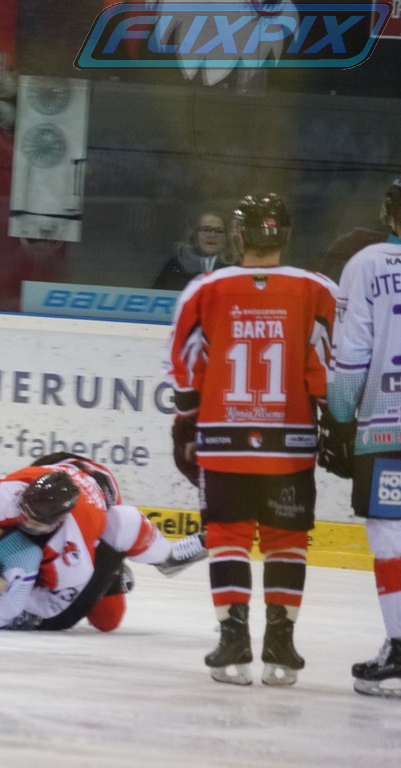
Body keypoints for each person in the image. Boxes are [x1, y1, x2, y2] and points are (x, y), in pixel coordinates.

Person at [166, 192, 338, 686]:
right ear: (286, 235)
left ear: (239, 237)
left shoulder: (205, 288)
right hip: (290, 443)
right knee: (287, 541)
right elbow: (325, 366)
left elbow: (186, 364)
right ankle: (280, 647)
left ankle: (233, 640)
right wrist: (335, 421)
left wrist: (185, 423)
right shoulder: (317, 289)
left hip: (224, 439)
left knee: (228, 538)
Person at [0, 455, 207, 631]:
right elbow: (28, 555)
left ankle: (164, 556)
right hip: (48, 604)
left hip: (28, 556)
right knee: (108, 618)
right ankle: (140, 564)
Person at [326, 178, 401, 698]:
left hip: (386, 426)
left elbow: (350, 353)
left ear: (387, 212)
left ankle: (400, 646)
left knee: (390, 536)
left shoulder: (368, 263)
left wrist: (339, 420)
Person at [151, 211, 230, 291]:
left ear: (227, 237)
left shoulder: (234, 267)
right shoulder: (175, 265)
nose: (212, 235)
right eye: (206, 230)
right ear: (195, 234)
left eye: (219, 231)